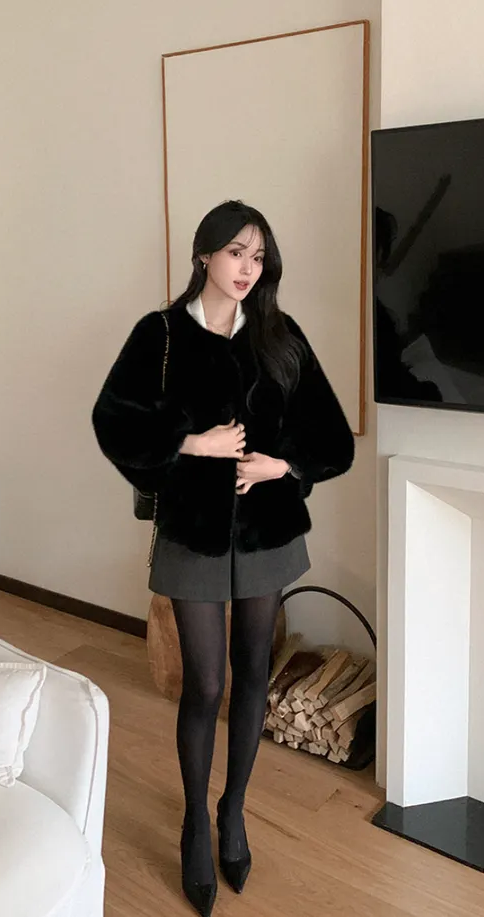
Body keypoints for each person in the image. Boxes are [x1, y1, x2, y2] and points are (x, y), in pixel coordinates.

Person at [92, 200, 354, 916]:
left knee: (253, 677)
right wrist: (191, 443)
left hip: (268, 534)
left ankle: (232, 812)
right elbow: (113, 420)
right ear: (204, 253)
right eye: (236, 252)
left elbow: (332, 437)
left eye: (258, 256)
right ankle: (193, 824)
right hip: (194, 533)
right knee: (205, 685)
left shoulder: (279, 335)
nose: (247, 268)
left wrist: (282, 465)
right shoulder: (161, 334)